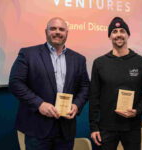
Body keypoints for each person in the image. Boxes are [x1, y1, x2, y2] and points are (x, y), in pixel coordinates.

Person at [9, 17, 90, 150]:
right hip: (37, 128)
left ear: (67, 33)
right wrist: (39, 104)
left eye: (61, 29)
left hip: (66, 130)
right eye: (53, 28)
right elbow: (15, 83)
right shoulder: (28, 54)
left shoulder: (78, 59)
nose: (57, 32)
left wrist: (76, 104)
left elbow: (85, 87)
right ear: (46, 31)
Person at [89, 17, 142, 150]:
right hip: (107, 127)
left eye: (122, 31)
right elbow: (94, 96)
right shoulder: (99, 63)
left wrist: (137, 111)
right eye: (114, 31)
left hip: (132, 126)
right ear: (110, 36)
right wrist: (94, 126)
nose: (118, 34)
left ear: (128, 35)